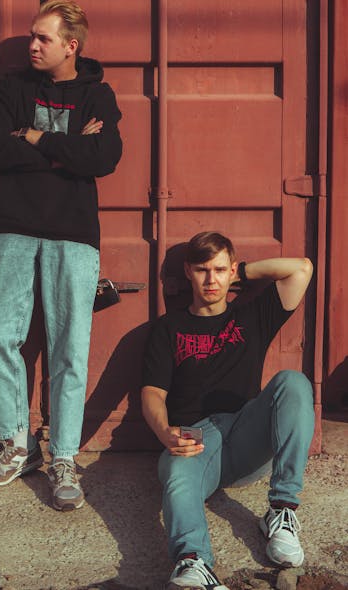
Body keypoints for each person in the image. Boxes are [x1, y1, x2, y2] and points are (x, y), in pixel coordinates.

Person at [0, 0, 122, 511]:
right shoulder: (11, 89)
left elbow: (103, 158)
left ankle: (63, 457)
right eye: (32, 37)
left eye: (43, 38)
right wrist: (66, 150)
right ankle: (16, 445)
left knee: (68, 349)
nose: (32, 45)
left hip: (72, 233)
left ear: (71, 45)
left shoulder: (97, 95)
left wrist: (33, 135)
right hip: (10, 226)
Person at [141, 231, 314, 589]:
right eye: (203, 270)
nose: (211, 279)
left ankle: (282, 511)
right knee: (174, 467)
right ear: (188, 271)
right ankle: (193, 562)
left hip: (248, 433)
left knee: (293, 382)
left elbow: (301, 269)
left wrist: (244, 272)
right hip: (198, 441)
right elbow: (153, 394)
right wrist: (164, 432)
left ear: (231, 271)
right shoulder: (167, 328)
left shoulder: (252, 316)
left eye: (220, 270)